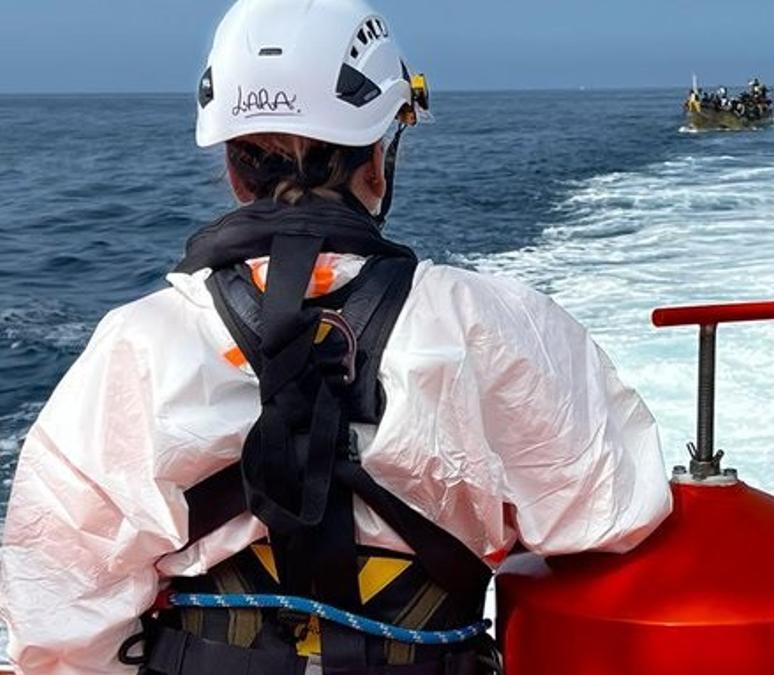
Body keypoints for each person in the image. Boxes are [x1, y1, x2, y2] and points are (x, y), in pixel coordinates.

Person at [0, 0, 672, 673]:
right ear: (377, 164)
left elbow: (56, 610)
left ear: (236, 171)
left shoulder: (140, 343)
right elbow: (610, 511)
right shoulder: (487, 323)